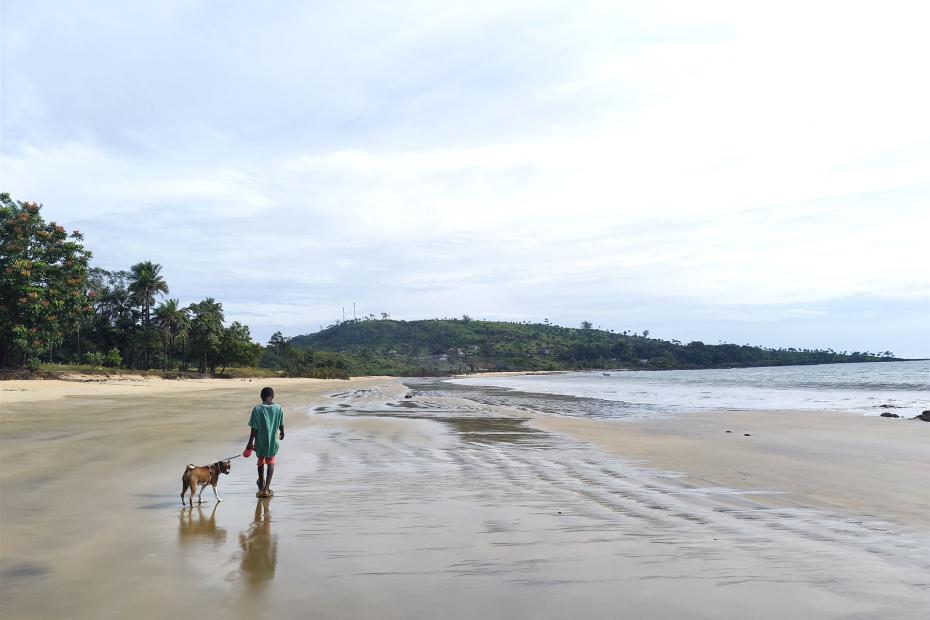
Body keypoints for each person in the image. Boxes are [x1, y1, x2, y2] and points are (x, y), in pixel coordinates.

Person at [244, 387, 285, 498]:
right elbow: (281, 424)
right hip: (273, 441)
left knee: (261, 461)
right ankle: (266, 489)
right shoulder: (279, 408)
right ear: (273, 396)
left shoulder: (257, 409)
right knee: (270, 462)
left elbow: (254, 428)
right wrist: (282, 431)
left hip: (260, 441)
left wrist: (250, 442)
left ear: (261, 397)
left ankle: (261, 484)